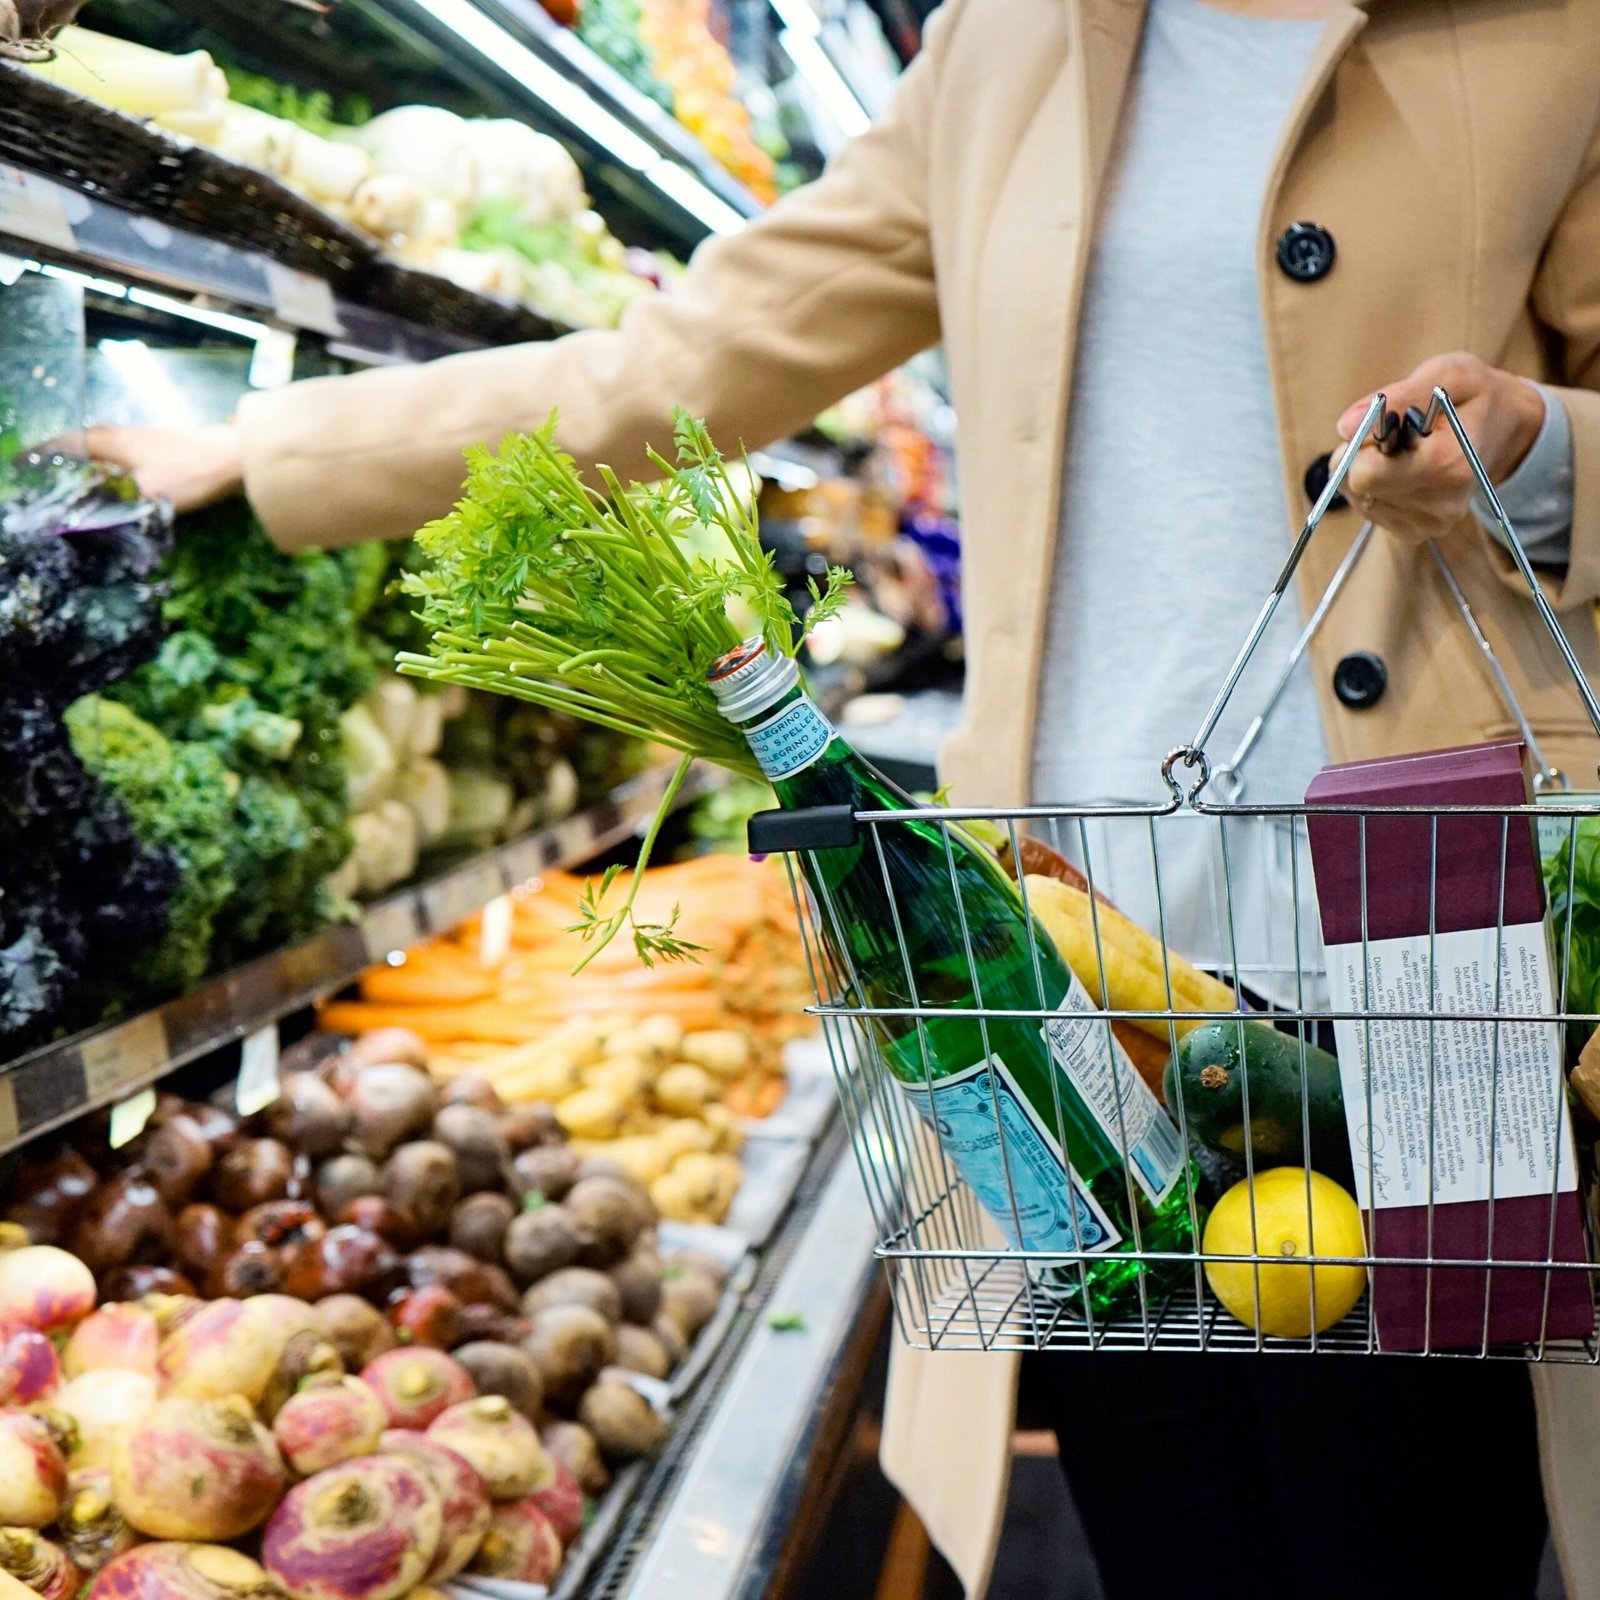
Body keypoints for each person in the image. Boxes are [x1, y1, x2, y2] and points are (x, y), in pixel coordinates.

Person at [91, 0, 1600, 1594]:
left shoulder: (1547, 30)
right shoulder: (1011, 47)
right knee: (1176, 1522)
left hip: (1437, 936)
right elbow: (685, 364)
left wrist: (1539, 450)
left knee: (1427, 1527)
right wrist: (270, 446)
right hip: (1058, 949)